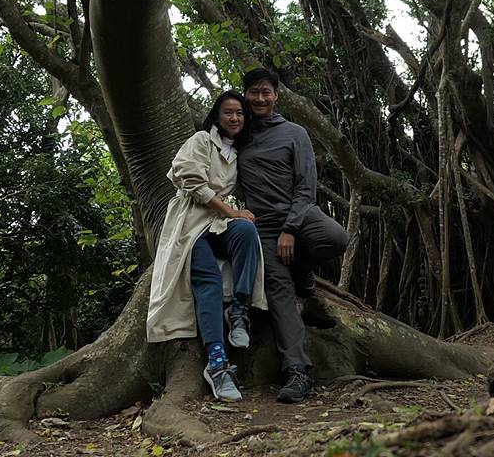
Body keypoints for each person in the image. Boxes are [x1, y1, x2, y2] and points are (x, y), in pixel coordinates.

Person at [236, 67, 348, 403]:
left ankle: (304, 276)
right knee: (279, 294)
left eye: (266, 92)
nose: (260, 98)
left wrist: (290, 229)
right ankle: (298, 371)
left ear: (276, 96)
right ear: (245, 95)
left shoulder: (295, 133)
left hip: (299, 216)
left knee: (335, 237)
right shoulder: (239, 134)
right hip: (261, 229)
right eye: (254, 92)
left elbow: (306, 187)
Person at [146, 91, 266, 402]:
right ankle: (216, 362)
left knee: (246, 231)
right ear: (216, 116)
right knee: (207, 279)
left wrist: (238, 215)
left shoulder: (236, 153)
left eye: (240, 113)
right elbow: (192, 182)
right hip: (190, 224)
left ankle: (239, 311)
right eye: (228, 112)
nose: (235, 118)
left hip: (217, 223)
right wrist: (232, 211)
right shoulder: (201, 140)